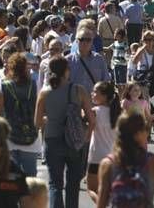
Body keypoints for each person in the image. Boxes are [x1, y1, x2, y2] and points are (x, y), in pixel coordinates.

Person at [35, 56, 94, 208]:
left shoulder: (44, 92)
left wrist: (50, 119)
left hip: (52, 140)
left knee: (55, 184)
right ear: (67, 71)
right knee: (73, 185)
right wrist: (86, 138)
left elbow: (37, 122)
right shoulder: (78, 90)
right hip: (74, 141)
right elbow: (91, 119)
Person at [96, 112, 154, 208]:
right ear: (139, 134)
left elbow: (101, 204)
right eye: (145, 129)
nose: (147, 133)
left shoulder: (108, 164)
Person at [0, 52, 40, 177]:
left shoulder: (3, 85)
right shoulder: (34, 85)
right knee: (30, 176)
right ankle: (28, 196)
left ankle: (15, 196)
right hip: (30, 135)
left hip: (9, 135)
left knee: (11, 174)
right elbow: (40, 110)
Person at [87, 81, 121, 204]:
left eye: (95, 92)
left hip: (96, 156)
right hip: (114, 157)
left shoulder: (95, 111)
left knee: (92, 189)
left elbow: (87, 130)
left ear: (105, 96)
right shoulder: (118, 112)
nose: (92, 94)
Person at [67, 28, 110, 94]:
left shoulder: (99, 59)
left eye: (88, 40)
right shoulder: (68, 61)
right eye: (81, 39)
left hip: (94, 101)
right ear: (76, 41)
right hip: (75, 101)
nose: (85, 42)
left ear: (92, 41)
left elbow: (105, 82)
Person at [106, 28, 128, 93]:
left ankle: (123, 95)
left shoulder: (124, 44)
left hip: (122, 65)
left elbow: (127, 52)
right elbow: (108, 49)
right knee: (117, 83)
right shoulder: (114, 43)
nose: (114, 34)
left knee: (123, 83)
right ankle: (120, 96)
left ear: (120, 35)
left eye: (116, 33)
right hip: (115, 65)